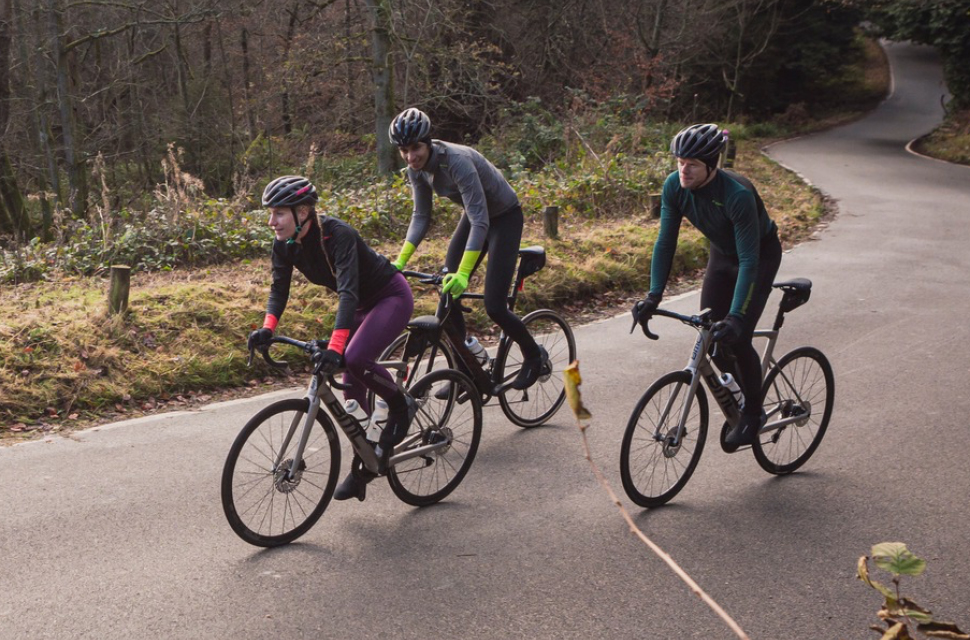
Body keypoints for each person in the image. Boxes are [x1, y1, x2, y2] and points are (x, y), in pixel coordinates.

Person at [248, 175, 415, 501]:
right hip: (359, 305)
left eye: (279, 213)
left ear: (304, 211)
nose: (271, 222)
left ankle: (400, 404)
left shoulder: (338, 235)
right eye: (270, 213)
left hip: (388, 297)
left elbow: (348, 293)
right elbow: (278, 289)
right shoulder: (285, 245)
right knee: (352, 399)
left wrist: (338, 348)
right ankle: (367, 461)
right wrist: (267, 328)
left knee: (354, 360)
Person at [632, 123, 782, 449]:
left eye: (693, 164)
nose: (683, 170)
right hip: (721, 255)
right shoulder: (675, 186)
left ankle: (754, 414)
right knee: (712, 338)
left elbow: (749, 262)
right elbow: (665, 243)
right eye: (679, 161)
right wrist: (653, 295)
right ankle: (742, 394)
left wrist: (738, 318)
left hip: (758, 256)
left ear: (712, 165)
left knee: (738, 338)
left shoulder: (737, 194)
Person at [387, 107, 546, 390]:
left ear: (428, 142)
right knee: (447, 294)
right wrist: (399, 261)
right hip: (474, 218)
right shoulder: (417, 170)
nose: (411, 157)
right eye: (404, 150)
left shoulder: (456, 161)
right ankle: (465, 369)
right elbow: (421, 216)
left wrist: (464, 273)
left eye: (416, 148)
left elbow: (481, 220)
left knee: (494, 305)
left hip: (503, 217)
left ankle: (534, 356)